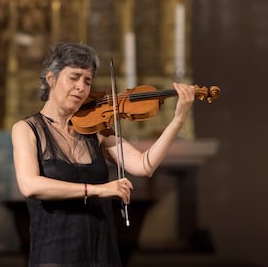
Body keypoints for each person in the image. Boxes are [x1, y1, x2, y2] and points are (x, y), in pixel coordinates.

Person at [11, 41, 195, 267]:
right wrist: (99, 190)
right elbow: (30, 185)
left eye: (87, 81)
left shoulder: (96, 130)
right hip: (54, 252)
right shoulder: (27, 129)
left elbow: (144, 165)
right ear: (51, 78)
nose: (82, 87)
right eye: (74, 77)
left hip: (100, 250)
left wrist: (178, 120)